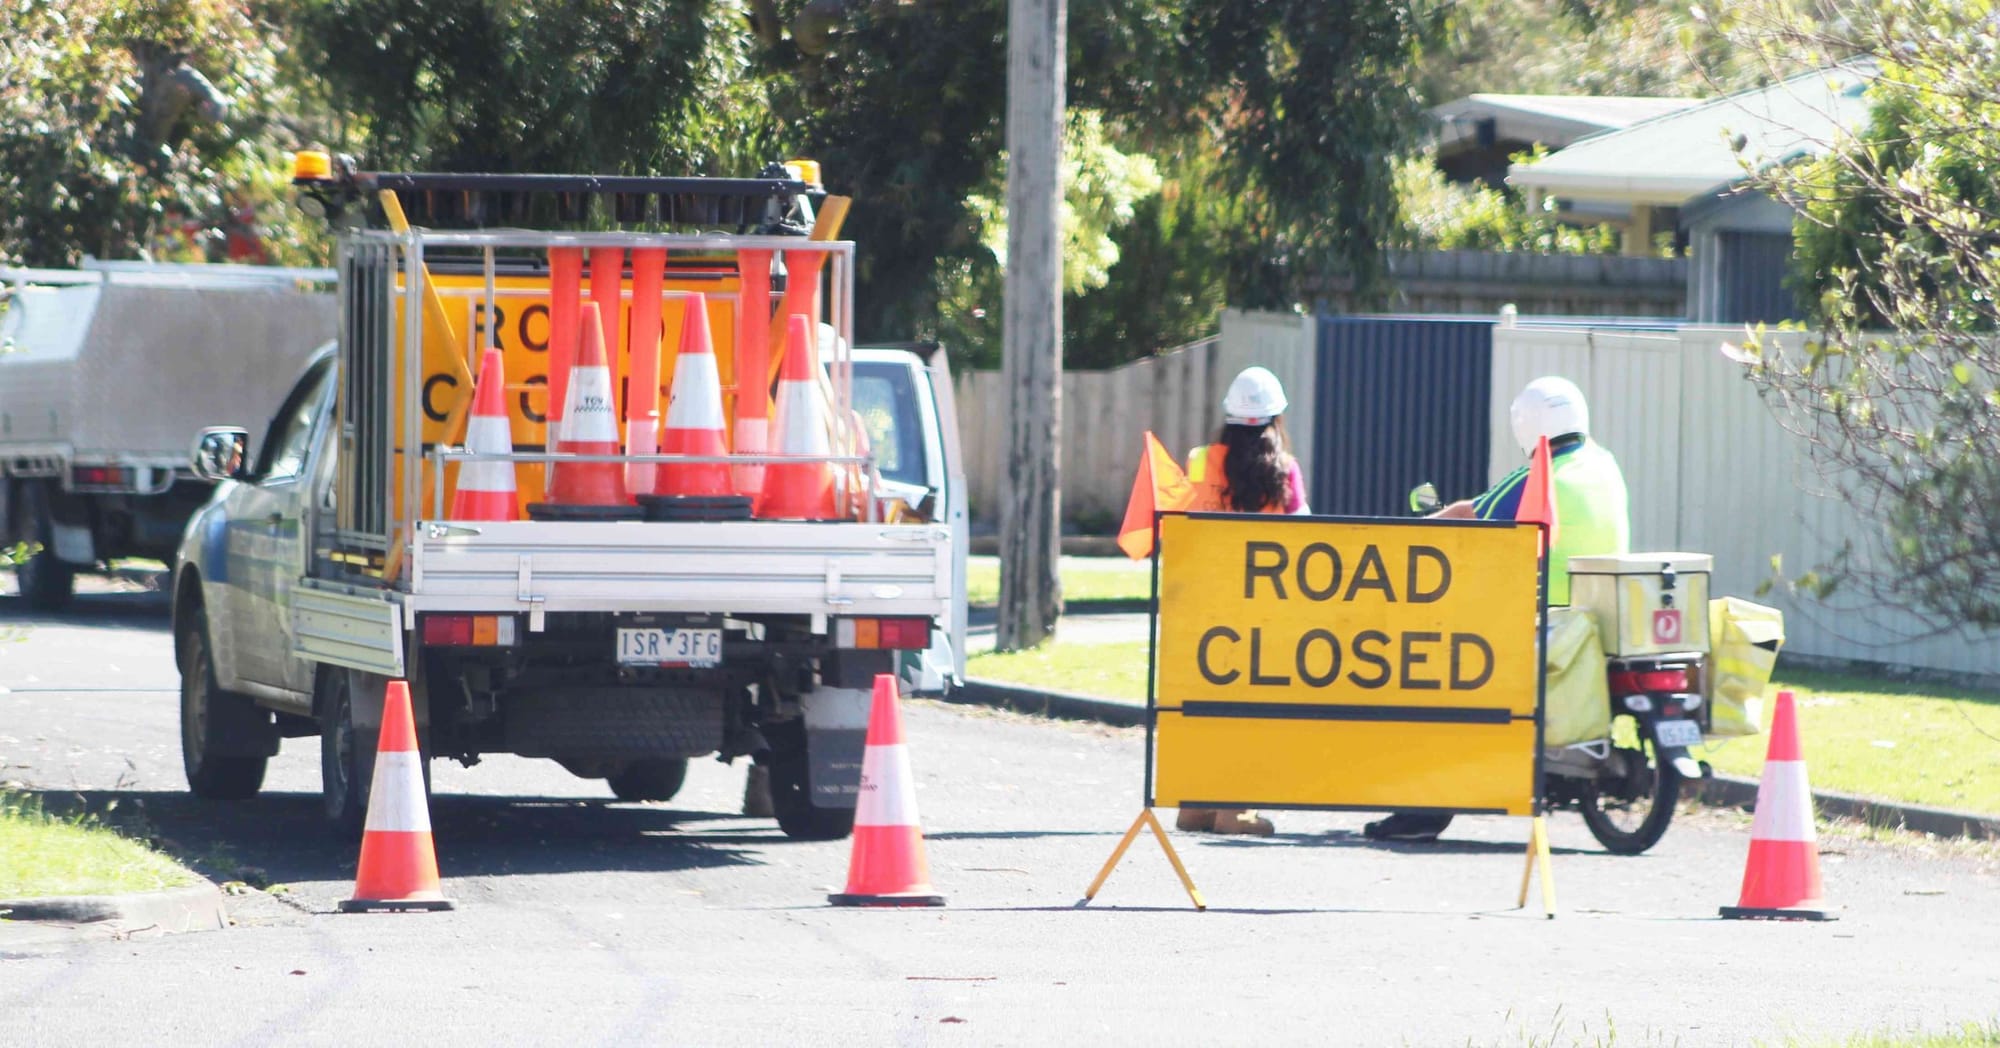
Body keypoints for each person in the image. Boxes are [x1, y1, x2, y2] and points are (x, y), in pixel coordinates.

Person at [1363, 375, 1631, 843]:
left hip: (1540, 618)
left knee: (1435, 668)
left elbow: (1473, 514)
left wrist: (1415, 530)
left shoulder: (1540, 476)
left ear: (1525, 427)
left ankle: (1423, 809)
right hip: (1600, 617)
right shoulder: (1605, 466)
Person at [1175, 366, 1309, 837]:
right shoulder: (1284, 472)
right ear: (1276, 418)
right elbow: (1308, 534)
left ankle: (1195, 805)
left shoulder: (1198, 461)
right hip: (1259, 606)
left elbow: (1180, 522)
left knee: (1206, 702)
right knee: (1249, 707)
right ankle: (1235, 811)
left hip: (1201, 601)